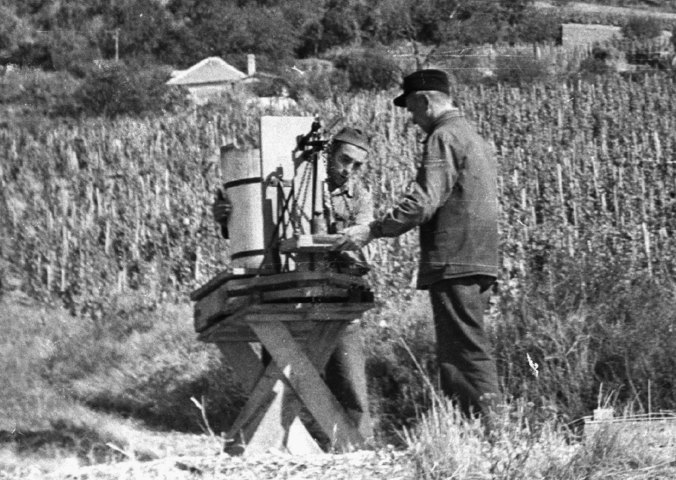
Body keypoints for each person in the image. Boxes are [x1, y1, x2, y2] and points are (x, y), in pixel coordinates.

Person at [339, 68, 503, 422]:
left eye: (412, 110)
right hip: (478, 257)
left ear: (425, 101)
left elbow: (422, 203)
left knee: (464, 352)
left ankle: (495, 430)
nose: (412, 120)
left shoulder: (442, 137)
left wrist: (373, 230)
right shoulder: (470, 134)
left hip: (455, 259)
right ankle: (472, 430)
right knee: (462, 349)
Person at [211, 125, 374, 438]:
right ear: (328, 154)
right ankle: (286, 450)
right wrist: (231, 218)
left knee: (351, 391)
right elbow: (257, 234)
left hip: (336, 297)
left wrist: (330, 237)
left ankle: (360, 453)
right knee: (282, 388)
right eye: (345, 160)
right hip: (287, 296)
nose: (349, 170)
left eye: (357, 165)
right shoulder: (295, 183)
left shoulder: (359, 197)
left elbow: (361, 239)